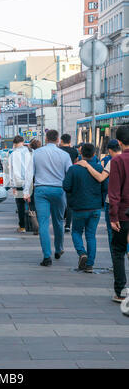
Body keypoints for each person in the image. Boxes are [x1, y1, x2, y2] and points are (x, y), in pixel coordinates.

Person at [27, 130, 72, 266]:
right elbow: (69, 174)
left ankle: (47, 256)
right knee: (58, 221)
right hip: (59, 190)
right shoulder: (64, 155)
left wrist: (26, 192)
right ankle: (58, 248)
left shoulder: (36, 153)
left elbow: (29, 173)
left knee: (44, 223)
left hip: (41, 190)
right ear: (58, 139)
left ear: (46, 139)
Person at [76, 139, 122, 258]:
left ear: (110, 150)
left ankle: (116, 262)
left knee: (112, 233)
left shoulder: (113, 161)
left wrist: (87, 166)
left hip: (112, 201)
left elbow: (101, 178)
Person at [63, 143, 104, 273]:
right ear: (94, 154)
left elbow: (66, 186)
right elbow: (105, 187)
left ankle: (82, 253)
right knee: (91, 235)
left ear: (81, 154)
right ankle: (90, 265)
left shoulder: (73, 169)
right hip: (95, 207)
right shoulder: (99, 167)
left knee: (76, 232)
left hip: (79, 207)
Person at [108, 126, 129, 303]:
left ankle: (121, 291)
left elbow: (114, 192)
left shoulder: (118, 161)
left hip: (123, 214)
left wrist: (113, 216)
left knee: (118, 251)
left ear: (120, 143)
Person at [8, 135, 34, 233]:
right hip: (30, 182)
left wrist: (13, 186)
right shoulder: (31, 152)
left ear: (14, 144)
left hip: (18, 183)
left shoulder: (12, 154)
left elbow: (11, 171)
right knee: (32, 204)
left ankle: (22, 226)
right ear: (23, 142)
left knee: (20, 206)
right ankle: (34, 225)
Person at [59, 134, 79, 233]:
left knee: (60, 201)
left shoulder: (58, 150)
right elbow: (75, 162)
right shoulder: (74, 151)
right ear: (70, 141)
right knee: (69, 202)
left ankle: (60, 219)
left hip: (59, 178)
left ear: (61, 141)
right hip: (70, 178)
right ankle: (68, 225)